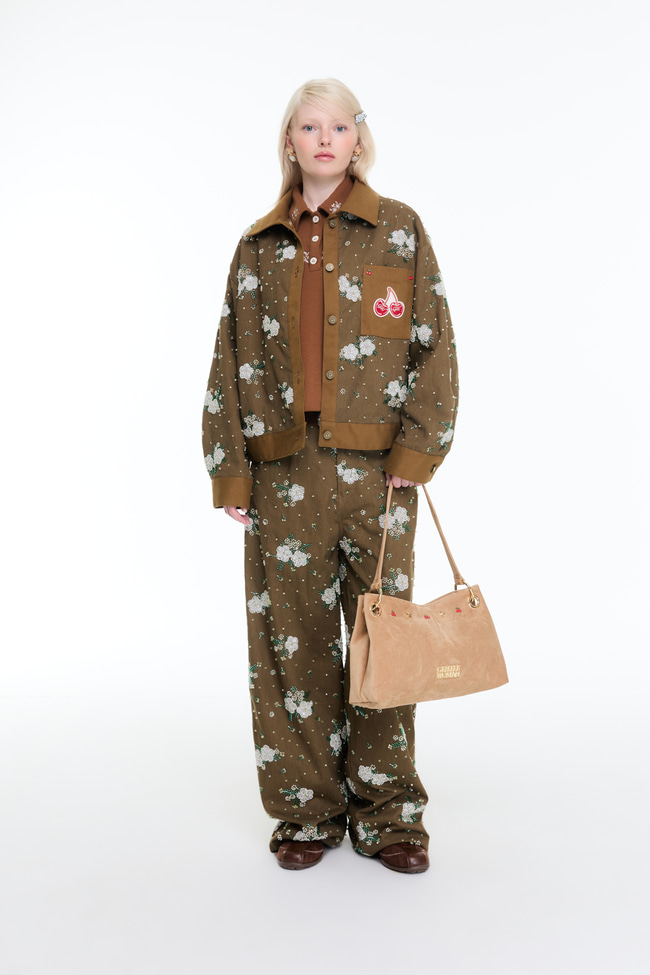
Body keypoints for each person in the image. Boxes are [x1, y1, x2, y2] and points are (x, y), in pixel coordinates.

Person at [203, 78, 458, 873]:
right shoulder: (258, 245)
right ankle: (307, 810)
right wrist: (231, 471)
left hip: (381, 476)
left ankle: (389, 813)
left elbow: (435, 345)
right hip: (283, 470)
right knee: (294, 647)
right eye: (309, 127)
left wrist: (416, 453)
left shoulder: (398, 230)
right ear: (289, 140)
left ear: (357, 140)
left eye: (339, 127)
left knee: (385, 641)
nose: (324, 139)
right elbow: (229, 361)